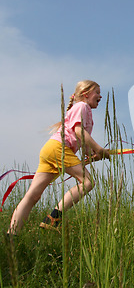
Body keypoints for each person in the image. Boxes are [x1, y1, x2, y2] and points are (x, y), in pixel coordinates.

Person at [7, 80, 110, 235]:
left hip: (52, 149)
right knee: (88, 182)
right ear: (86, 94)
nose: (100, 96)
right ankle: (53, 219)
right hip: (59, 149)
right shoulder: (82, 106)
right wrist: (99, 148)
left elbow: (84, 145)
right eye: (97, 92)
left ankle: (11, 236)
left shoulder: (82, 110)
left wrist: (95, 154)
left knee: (33, 196)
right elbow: (78, 131)